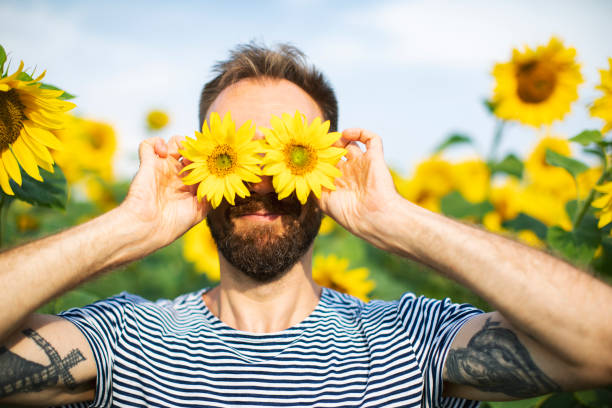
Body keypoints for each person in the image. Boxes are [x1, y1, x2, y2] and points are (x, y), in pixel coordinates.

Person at [0, 43, 611, 408]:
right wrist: (127, 228)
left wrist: (396, 221)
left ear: (329, 167)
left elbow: (601, 347)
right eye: (236, 153)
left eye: (288, 154)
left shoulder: (410, 341)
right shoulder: (130, 340)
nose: (263, 179)